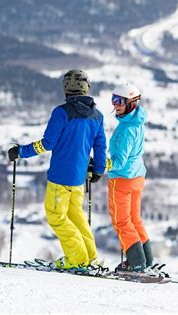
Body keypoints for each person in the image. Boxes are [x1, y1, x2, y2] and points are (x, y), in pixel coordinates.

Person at [8, 70, 107, 270]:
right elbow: (100, 147)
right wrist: (97, 170)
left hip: (60, 178)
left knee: (56, 216)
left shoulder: (61, 113)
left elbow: (48, 143)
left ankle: (77, 258)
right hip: (79, 179)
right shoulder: (97, 116)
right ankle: (91, 257)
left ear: (65, 88)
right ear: (87, 87)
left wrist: (20, 152)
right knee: (76, 217)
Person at [107, 82, 154, 273]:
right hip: (137, 177)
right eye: (113, 99)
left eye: (119, 100)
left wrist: (101, 165)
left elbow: (119, 161)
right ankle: (146, 260)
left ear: (131, 103)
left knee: (122, 221)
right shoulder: (136, 122)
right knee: (135, 219)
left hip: (122, 179)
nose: (115, 104)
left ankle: (136, 262)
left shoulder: (126, 130)